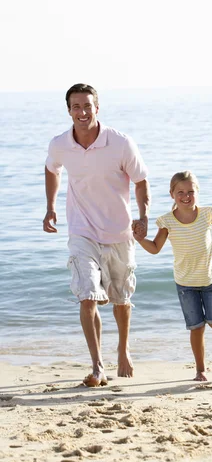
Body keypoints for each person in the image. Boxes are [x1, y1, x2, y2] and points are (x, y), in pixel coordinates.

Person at [43, 83, 150, 387]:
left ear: (97, 108)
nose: (82, 112)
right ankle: (97, 365)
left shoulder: (120, 143)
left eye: (87, 106)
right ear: (69, 110)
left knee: (121, 299)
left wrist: (143, 217)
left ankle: (123, 349)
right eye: (76, 107)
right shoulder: (60, 144)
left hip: (119, 231)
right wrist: (50, 207)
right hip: (81, 230)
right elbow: (52, 169)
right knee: (87, 295)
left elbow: (141, 181)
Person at [133, 171, 212, 381]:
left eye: (190, 191)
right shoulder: (167, 221)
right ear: (172, 194)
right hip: (185, 283)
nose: (186, 196)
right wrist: (139, 239)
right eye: (180, 192)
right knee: (196, 328)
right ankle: (200, 370)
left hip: (209, 280)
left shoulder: (207, 214)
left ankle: (208, 317)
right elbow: (154, 248)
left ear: (197, 192)